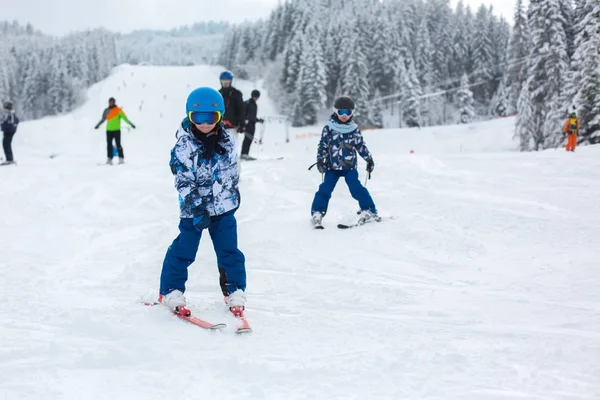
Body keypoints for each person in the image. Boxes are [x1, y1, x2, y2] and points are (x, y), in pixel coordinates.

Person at [159, 87, 247, 318]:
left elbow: (231, 172)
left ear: (220, 117)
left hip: (223, 208)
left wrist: (232, 197)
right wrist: (197, 207)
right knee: (184, 249)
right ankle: (171, 290)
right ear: (190, 116)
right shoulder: (183, 145)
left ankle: (234, 290)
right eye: (198, 118)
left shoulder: (228, 142)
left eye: (212, 117)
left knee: (229, 251)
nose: (205, 123)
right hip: (193, 210)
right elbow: (183, 180)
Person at [311, 96, 380, 227]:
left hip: (349, 167)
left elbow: (360, 146)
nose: (344, 115)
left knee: (356, 188)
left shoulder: (354, 129)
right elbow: (323, 145)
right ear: (335, 111)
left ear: (352, 113)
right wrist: (320, 160)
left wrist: (368, 159)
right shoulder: (329, 128)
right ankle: (317, 212)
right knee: (325, 189)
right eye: (341, 112)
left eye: (347, 112)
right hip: (332, 167)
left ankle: (369, 210)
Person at [94, 97, 136, 165]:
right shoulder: (106, 110)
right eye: (110, 102)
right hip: (109, 130)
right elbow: (103, 119)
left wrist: (131, 124)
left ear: (114, 102)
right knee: (109, 145)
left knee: (118, 144)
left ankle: (121, 158)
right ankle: (109, 159)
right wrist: (97, 125)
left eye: (112, 102)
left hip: (116, 130)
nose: (111, 103)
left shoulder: (118, 110)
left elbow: (125, 118)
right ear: (109, 103)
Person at [241, 89, 265, 160]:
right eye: (256, 96)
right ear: (252, 95)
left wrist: (258, 120)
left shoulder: (255, 104)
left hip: (252, 124)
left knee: (250, 138)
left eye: (258, 96)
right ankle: (244, 154)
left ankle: (246, 154)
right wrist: (244, 122)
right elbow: (243, 113)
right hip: (247, 124)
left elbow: (253, 116)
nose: (257, 97)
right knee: (247, 138)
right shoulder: (247, 103)